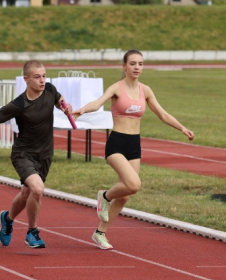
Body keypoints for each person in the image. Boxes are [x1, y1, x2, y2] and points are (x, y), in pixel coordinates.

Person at [72, 49, 194, 250]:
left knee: (126, 194)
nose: (137, 67)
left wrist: (182, 128)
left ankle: (100, 233)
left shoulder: (145, 90)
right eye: (133, 63)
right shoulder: (117, 88)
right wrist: (83, 109)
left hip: (134, 144)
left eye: (141, 64)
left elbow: (162, 114)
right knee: (134, 184)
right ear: (124, 66)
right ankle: (104, 196)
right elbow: (98, 103)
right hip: (117, 143)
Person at [0, 60, 72, 248]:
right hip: (23, 154)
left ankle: (7, 219)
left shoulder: (49, 89)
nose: (42, 80)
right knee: (37, 189)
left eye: (44, 76)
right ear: (26, 79)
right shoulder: (19, 104)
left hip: (45, 154)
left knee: (26, 194)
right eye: (37, 77)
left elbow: (59, 99)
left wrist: (65, 105)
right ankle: (32, 233)